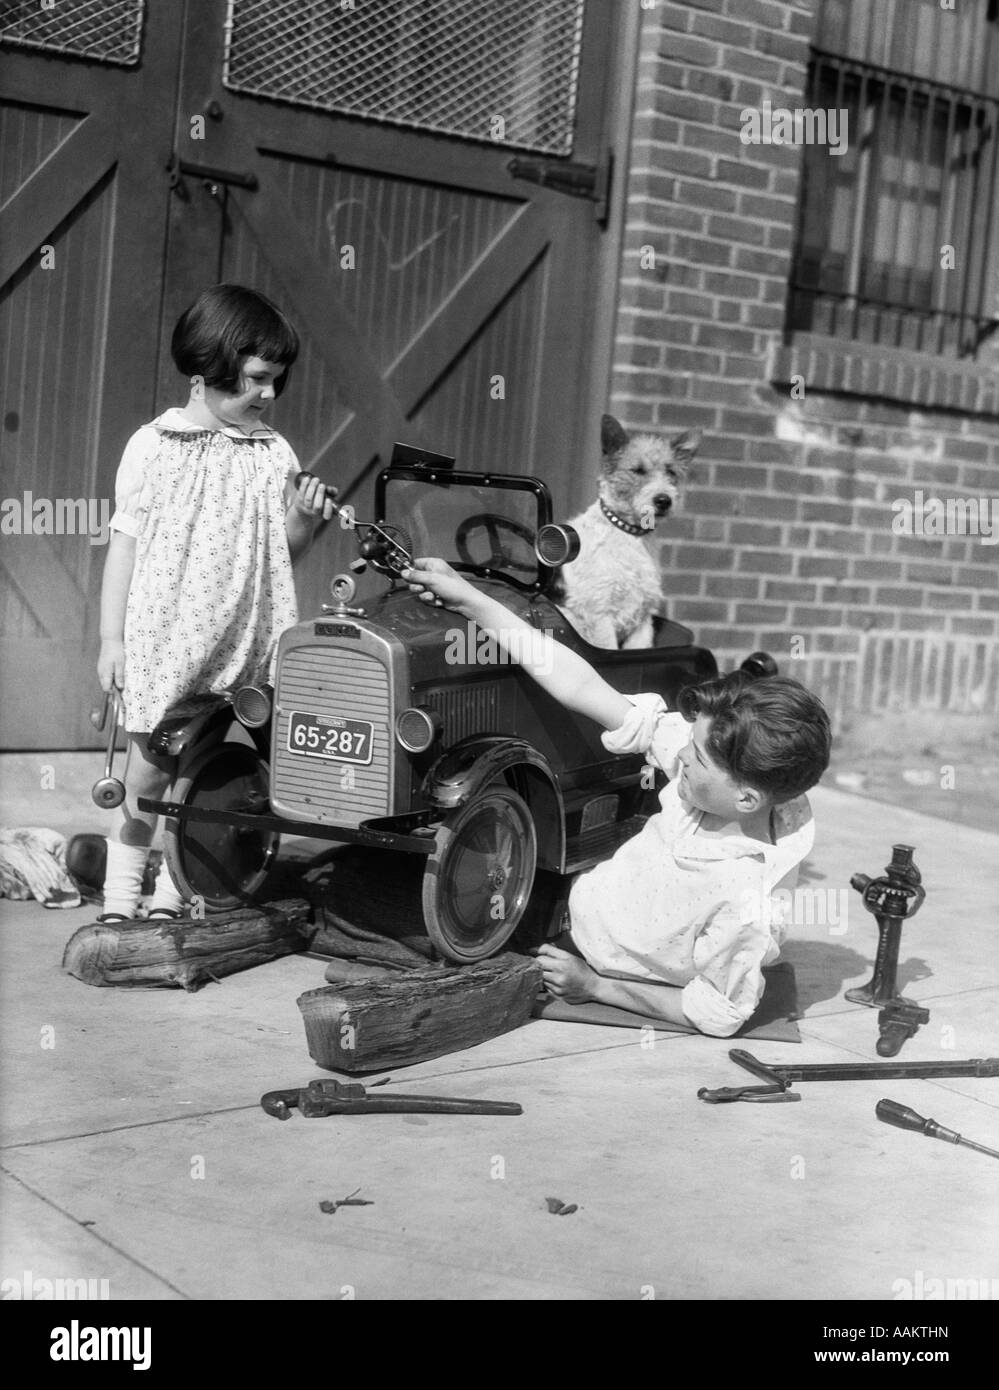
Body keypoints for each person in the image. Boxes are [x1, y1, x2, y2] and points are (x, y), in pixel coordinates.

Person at [402, 557, 832, 1036]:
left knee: (385, 912)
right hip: (571, 901)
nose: (681, 755)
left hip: (581, 955)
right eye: (688, 739)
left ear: (748, 799)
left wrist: (593, 987)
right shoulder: (728, 783)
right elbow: (585, 686)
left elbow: (719, 1014)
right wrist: (472, 601)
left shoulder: (747, 904)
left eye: (698, 758)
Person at [96, 284, 336, 921]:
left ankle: (176, 897)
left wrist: (305, 520)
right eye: (258, 379)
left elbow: (281, 551)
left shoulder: (271, 452)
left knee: (199, 781)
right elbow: (123, 546)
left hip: (239, 648)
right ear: (207, 370)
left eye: (276, 381)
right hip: (166, 645)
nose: (269, 395)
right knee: (148, 777)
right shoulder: (154, 448)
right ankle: (119, 900)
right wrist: (110, 641)